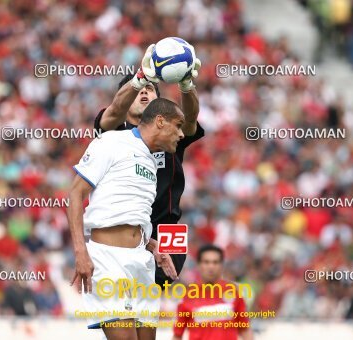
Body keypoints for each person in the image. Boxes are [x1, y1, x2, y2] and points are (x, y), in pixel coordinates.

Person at [68, 98, 184, 340]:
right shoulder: (111, 141)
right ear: (160, 121)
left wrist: (152, 246)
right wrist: (80, 251)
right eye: (178, 125)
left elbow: (131, 216)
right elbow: (75, 194)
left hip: (141, 262)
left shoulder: (152, 161)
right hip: (109, 259)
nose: (182, 134)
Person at [93, 44, 204, 286]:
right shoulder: (113, 131)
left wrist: (186, 86)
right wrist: (141, 77)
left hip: (166, 228)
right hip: (123, 227)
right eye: (138, 90)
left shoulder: (170, 131)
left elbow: (191, 120)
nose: (144, 93)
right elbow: (112, 113)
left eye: (150, 90)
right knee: (123, 301)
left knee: (150, 297)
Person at [172, 245, 254, 340]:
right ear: (199, 265)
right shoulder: (187, 297)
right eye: (206, 262)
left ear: (221, 265)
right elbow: (177, 335)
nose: (211, 266)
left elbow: (245, 330)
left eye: (215, 262)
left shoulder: (233, 292)